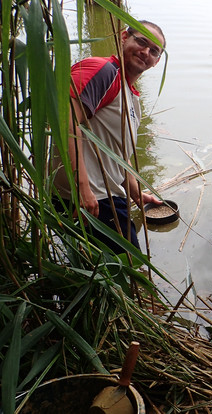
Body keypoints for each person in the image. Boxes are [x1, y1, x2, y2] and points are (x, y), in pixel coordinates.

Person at [50, 20, 165, 254]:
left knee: (107, 277)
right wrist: (82, 187)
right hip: (94, 200)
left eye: (154, 51)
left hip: (106, 198)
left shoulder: (130, 95)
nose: (146, 52)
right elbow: (65, 122)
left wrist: (135, 194)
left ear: (157, 61)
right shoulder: (103, 71)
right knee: (130, 273)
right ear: (124, 37)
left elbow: (117, 154)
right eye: (141, 42)